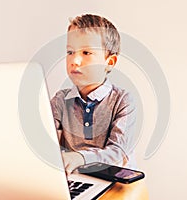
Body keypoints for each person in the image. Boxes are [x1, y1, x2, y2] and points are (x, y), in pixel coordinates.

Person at [50, 14, 136, 175]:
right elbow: (46, 141)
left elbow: (118, 152)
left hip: (118, 184)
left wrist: (80, 158)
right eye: (70, 52)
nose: (74, 60)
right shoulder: (60, 100)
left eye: (86, 52)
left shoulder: (122, 100)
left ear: (109, 62)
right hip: (79, 179)